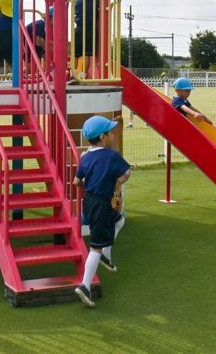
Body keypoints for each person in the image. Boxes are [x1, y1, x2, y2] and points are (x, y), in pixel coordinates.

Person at [72, 116, 132, 308]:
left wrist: (92, 182)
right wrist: (126, 173)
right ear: (103, 137)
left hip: (89, 202)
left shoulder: (85, 157)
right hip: (101, 204)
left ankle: (106, 254)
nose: (114, 135)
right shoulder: (112, 156)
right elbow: (123, 177)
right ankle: (85, 286)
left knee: (119, 220)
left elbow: (76, 182)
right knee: (94, 248)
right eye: (111, 132)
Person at [72, 0, 98, 80]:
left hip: (79, 29)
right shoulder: (99, 0)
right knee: (87, 53)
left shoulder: (78, 1)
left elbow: (76, 15)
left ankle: (73, 75)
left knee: (75, 54)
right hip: (92, 29)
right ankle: (83, 75)